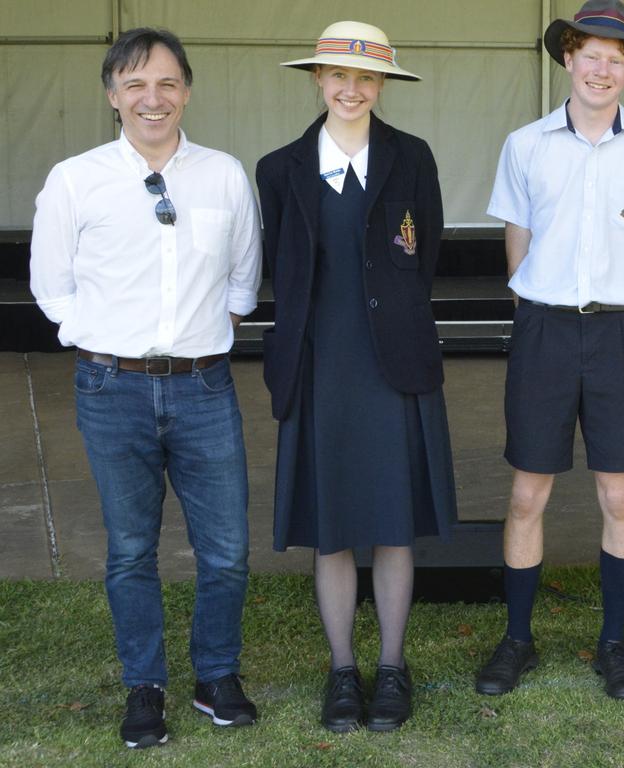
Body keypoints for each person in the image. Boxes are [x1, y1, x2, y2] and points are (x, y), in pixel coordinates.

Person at [29, 28, 261, 748]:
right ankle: (145, 686)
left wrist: (191, 340)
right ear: (112, 97)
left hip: (203, 388)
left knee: (225, 549)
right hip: (112, 389)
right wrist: (105, 339)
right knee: (131, 548)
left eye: (166, 84)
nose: (151, 99)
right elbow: (51, 287)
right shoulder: (76, 178)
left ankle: (216, 676)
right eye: (135, 85)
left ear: (186, 90)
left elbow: (243, 280)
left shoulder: (224, 174)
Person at [476, 0, 624, 701]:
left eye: (616, 58)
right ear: (568, 57)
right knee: (528, 492)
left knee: (617, 493)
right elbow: (518, 245)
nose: (601, 68)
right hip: (542, 328)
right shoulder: (524, 143)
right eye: (590, 53)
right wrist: (546, 308)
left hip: (618, 334)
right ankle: (517, 640)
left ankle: (613, 644)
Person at [256, 21, 456, 734]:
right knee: (333, 528)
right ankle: (343, 671)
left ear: (381, 86)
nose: (351, 89)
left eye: (365, 78)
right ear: (316, 79)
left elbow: (421, 254)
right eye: (337, 76)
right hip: (320, 366)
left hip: (394, 363)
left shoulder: (412, 159)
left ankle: (393, 668)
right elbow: (283, 267)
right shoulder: (279, 169)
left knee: (394, 526)